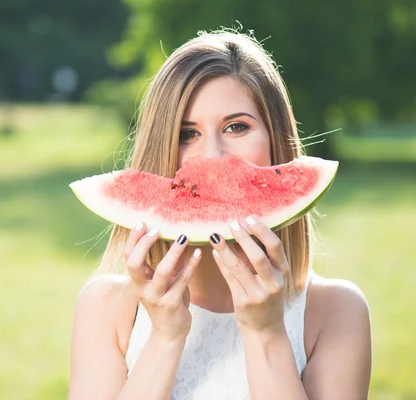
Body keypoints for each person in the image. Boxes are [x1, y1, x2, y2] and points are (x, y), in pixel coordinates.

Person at [68, 30, 372, 400]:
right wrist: (165, 337)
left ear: (276, 139)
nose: (212, 156)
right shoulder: (107, 310)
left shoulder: (336, 312)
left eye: (237, 127)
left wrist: (266, 333)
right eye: (186, 133)